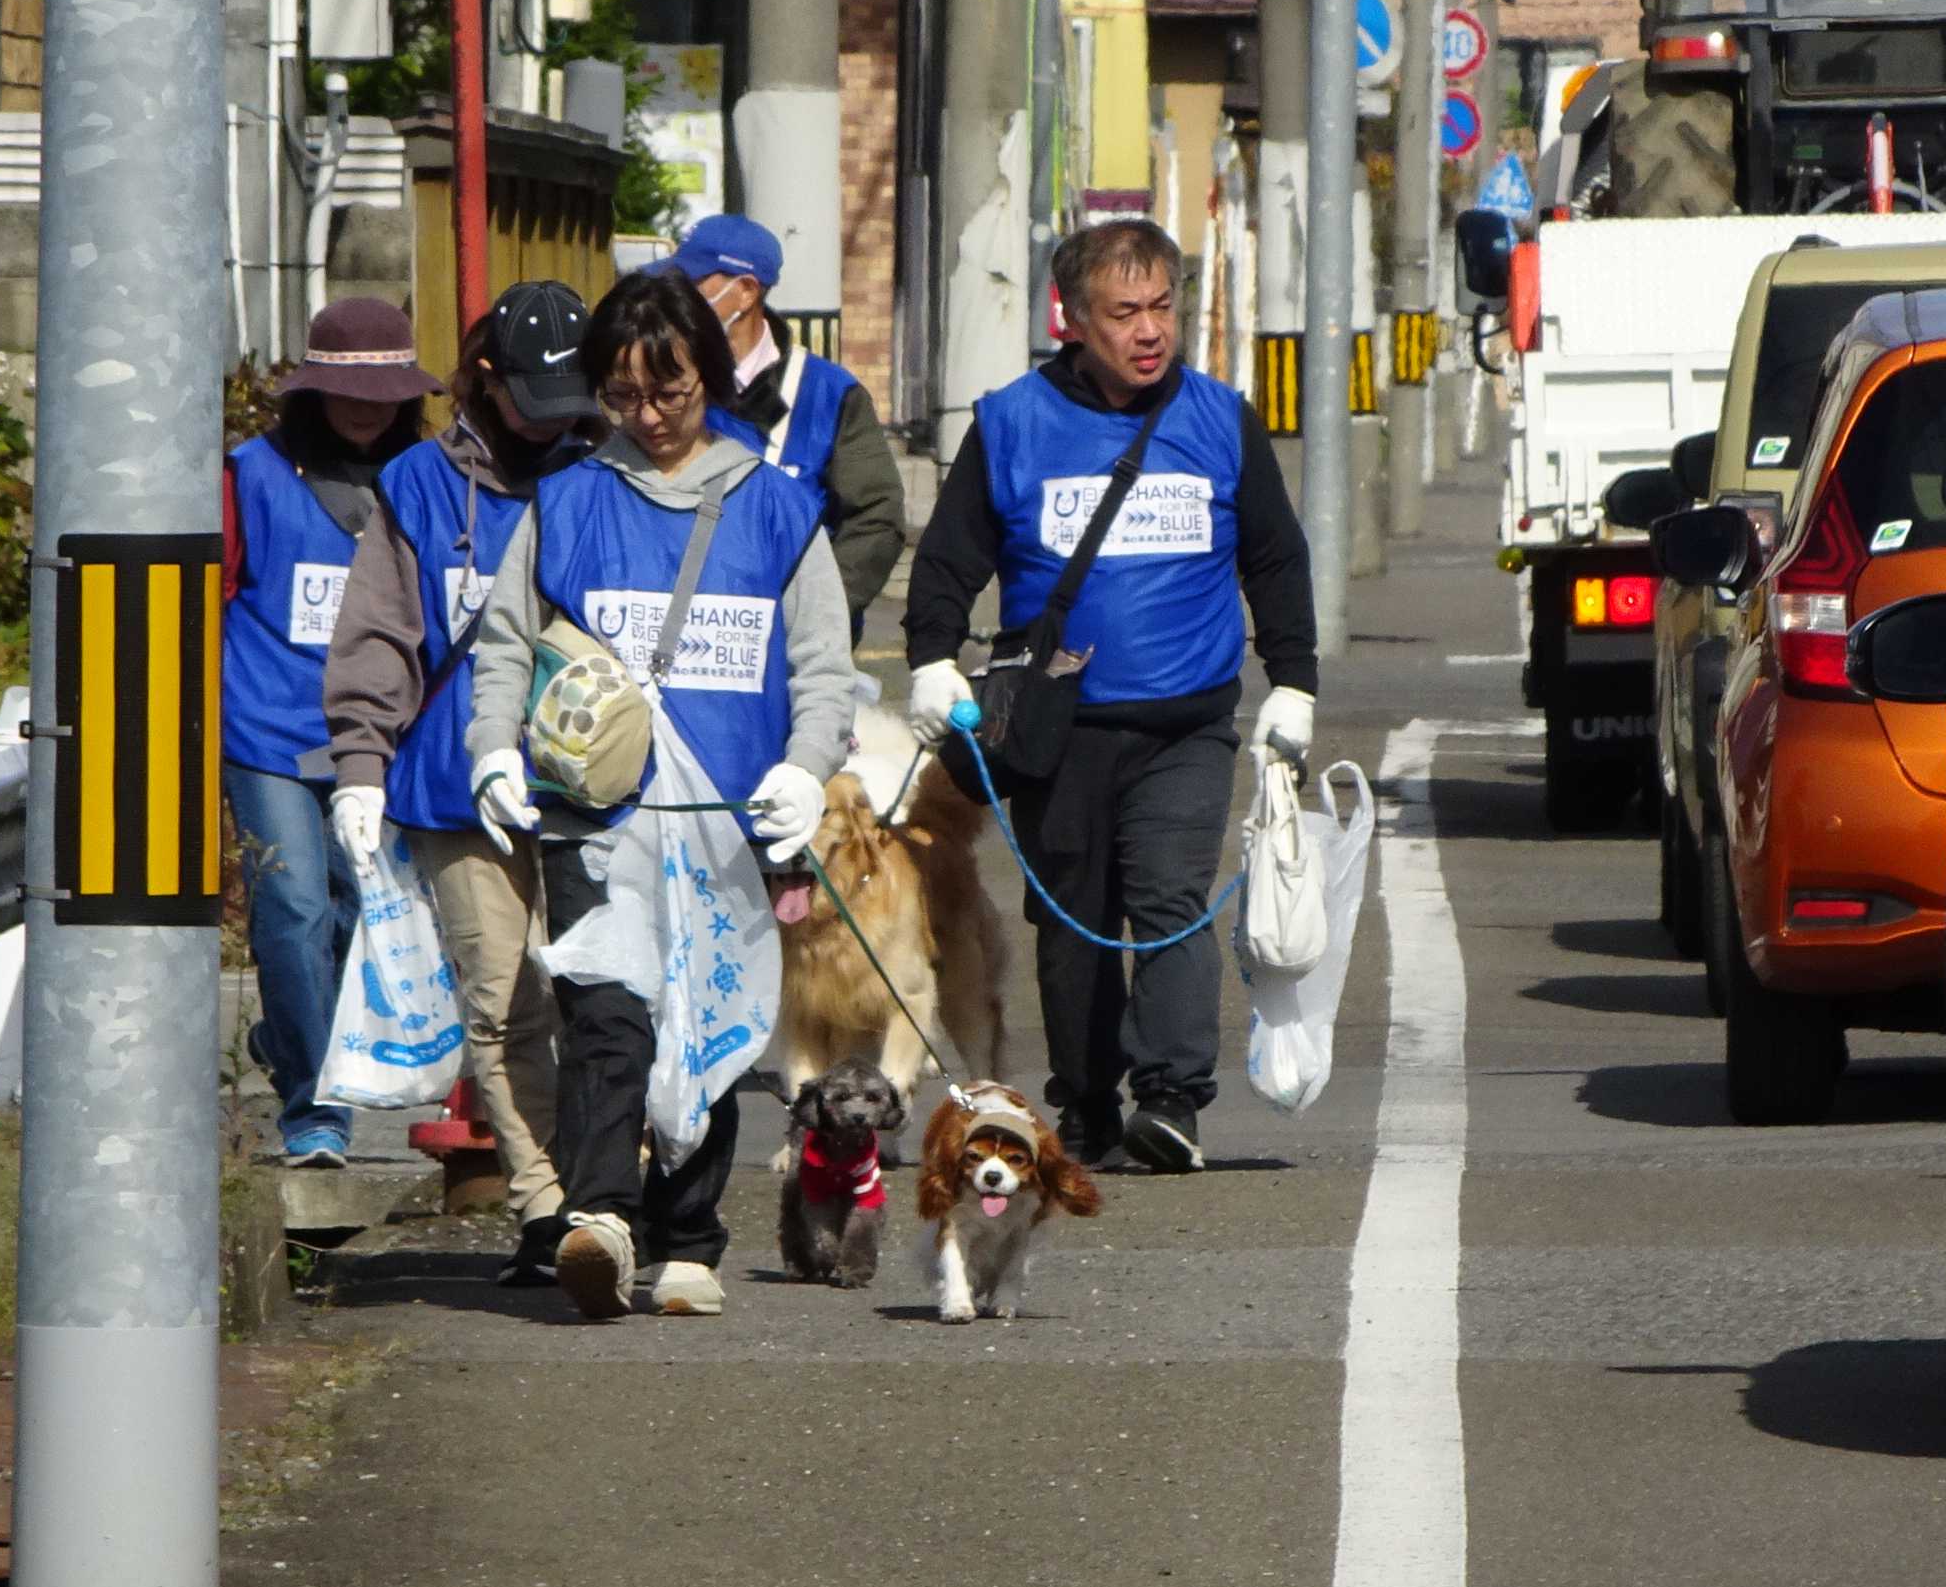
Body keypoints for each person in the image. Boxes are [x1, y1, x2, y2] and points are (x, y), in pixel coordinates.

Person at [461, 270, 858, 1321]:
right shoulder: (569, 500)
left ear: (709, 382)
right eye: (623, 396)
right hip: (598, 816)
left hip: (731, 822)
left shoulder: (778, 510)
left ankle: (690, 1234)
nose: (646, 417)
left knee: (710, 1018)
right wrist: (492, 751)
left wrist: (805, 770)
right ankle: (603, 1218)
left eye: (668, 393)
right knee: (609, 1021)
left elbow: (823, 667)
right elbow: (506, 647)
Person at [902, 217, 1316, 1177]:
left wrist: (1293, 684)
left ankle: (1171, 1100)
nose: (1149, 331)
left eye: (1162, 307)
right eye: (1123, 311)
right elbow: (950, 559)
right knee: (1072, 919)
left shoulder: (1220, 418)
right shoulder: (1010, 422)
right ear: (1073, 319)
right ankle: (1085, 1100)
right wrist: (930, 657)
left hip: (1187, 722)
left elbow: (1275, 558)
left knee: (1169, 901)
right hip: (1057, 728)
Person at [319, 281, 604, 1286]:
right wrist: (361, 764)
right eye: (539, 398)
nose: (558, 417)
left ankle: (608, 1190)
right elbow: (380, 634)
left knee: (599, 997)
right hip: (450, 785)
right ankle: (544, 1208)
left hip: (588, 783)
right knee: (503, 1002)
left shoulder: (603, 477)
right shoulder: (419, 485)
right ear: (487, 377)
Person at [220, 298, 436, 1167]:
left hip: (381, 739)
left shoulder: (422, 478)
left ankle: (289, 1036)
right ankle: (315, 1107)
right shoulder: (250, 475)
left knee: (362, 914)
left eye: (386, 391)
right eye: (350, 390)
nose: (368, 406)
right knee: (295, 905)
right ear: (309, 391)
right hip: (266, 730)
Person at [653, 213, 907, 635]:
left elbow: (876, 517)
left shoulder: (829, 394)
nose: (674, 302)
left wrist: (815, 618)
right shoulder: (662, 388)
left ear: (746, 291)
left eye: (692, 286)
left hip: (792, 652)